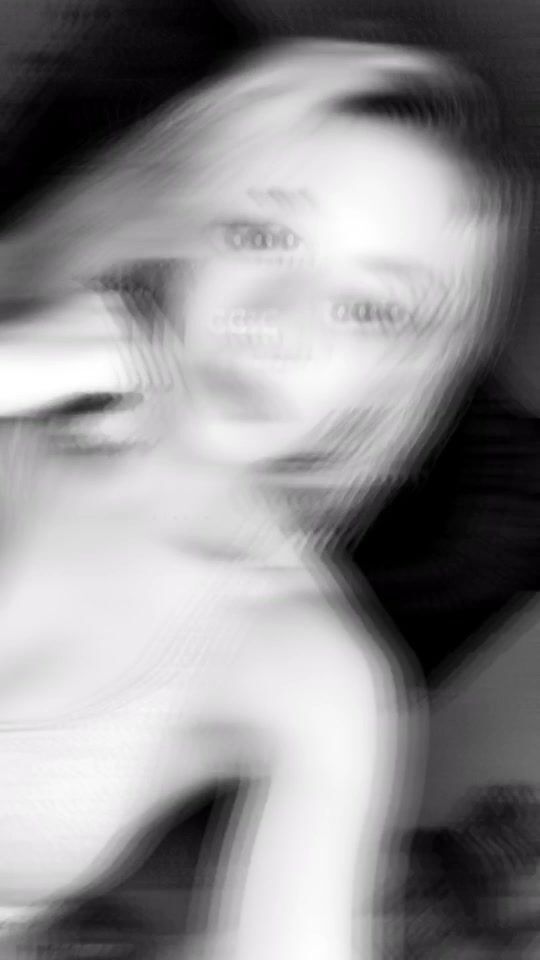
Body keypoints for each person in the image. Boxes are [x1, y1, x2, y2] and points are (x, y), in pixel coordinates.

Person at [0, 38, 525, 959]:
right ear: (181, 224)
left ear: (399, 374)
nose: (281, 324)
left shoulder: (311, 669)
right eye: (263, 236)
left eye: (369, 309)